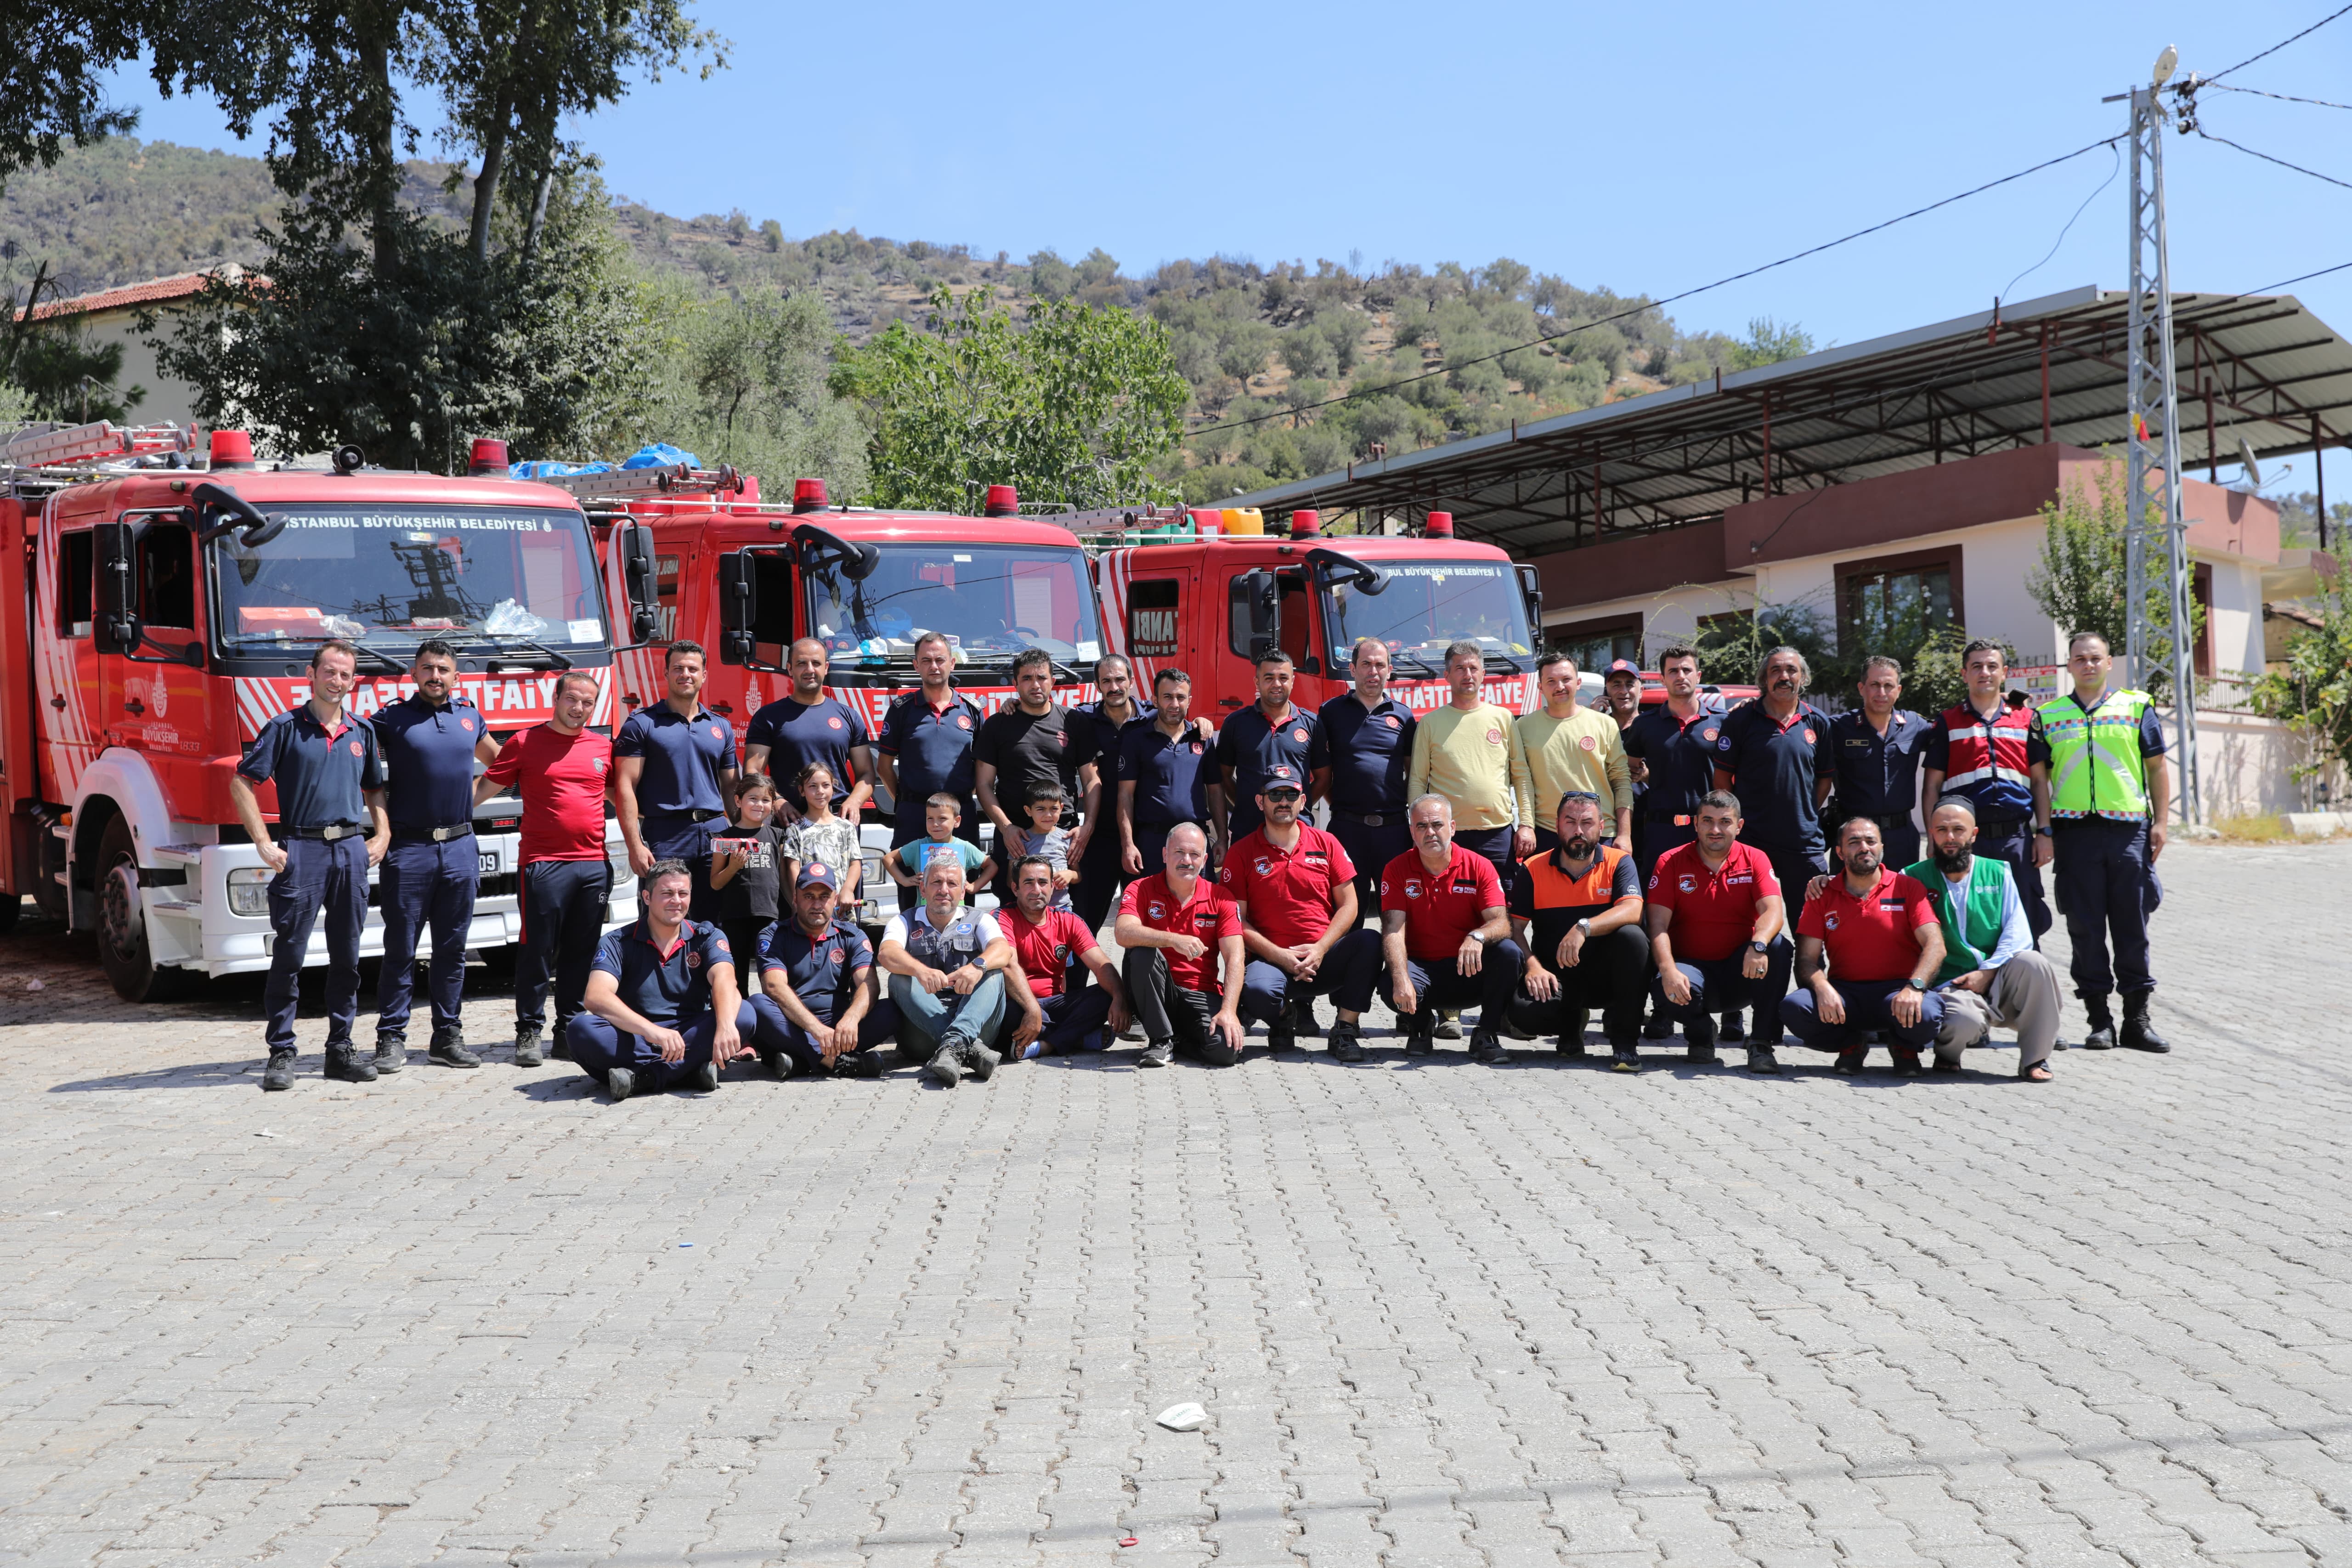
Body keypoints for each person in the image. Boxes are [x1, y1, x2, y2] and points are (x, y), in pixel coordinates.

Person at [229, 640, 390, 1090]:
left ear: (352, 680)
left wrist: (383, 833)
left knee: (348, 957)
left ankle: (340, 1049)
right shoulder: (285, 727)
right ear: (311, 673)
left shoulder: (362, 731)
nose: (336, 681)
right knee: (291, 955)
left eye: (345, 674)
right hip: (302, 850)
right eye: (330, 672)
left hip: (350, 852)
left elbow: (375, 789)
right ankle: (282, 1052)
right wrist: (263, 842)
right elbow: (242, 782)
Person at [2029, 630, 2173, 1053]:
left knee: (2133, 926)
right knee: (2085, 929)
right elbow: (2039, 780)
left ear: (2110, 663)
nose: (2088, 664)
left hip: (2129, 832)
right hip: (2075, 836)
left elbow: (2157, 768)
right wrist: (2045, 829)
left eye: (2096, 658)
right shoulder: (2047, 716)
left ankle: (2137, 1021)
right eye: (2079, 658)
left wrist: (2161, 822)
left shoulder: (2137, 706)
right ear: (2069, 665)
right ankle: (2099, 1021)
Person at [370, 639, 501, 1072]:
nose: (435, 676)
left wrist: (471, 803)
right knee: (400, 947)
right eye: (427, 668)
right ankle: (391, 1037)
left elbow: (500, 765)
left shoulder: (469, 717)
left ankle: (447, 1036)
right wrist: (382, 827)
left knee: (453, 948)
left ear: (456, 675)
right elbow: (362, 768)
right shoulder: (392, 719)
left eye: (443, 669)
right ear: (414, 674)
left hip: (461, 848)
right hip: (410, 849)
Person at [476, 670, 613, 1067]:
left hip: (592, 864)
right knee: (536, 949)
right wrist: (437, 818)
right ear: (556, 697)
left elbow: (622, 797)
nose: (579, 708)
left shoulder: (603, 747)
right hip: (542, 863)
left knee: (580, 951)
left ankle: (568, 1031)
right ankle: (528, 1031)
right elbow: (485, 788)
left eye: (588, 702)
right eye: (572, 699)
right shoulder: (524, 741)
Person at [1710, 645, 1832, 1044]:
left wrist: (1802, 813)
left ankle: (1817, 1016)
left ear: (1803, 677)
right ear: (1764, 677)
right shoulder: (1742, 720)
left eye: (1792, 670)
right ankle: (1741, 1016)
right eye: (1777, 670)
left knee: (1811, 933)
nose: (1785, 676)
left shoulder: (1819, 722)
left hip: (1805, 846)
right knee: (1750, 931)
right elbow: (1723, 782)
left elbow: (1824, 780)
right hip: (1753, 846)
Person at [1220, 777, 1380, 1060]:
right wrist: (1280, 956)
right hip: (1272, 961)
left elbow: (1351, 906)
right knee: (1256, 990)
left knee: (1370, 941)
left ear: (1304, 802)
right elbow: (1237, 921)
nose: (1284, 801)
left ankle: (1345, 1028)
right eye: (1275, 795)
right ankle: (1283, 1017)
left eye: (1292, 795)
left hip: (1324, 958)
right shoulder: (1241, 852)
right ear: (1260, 802)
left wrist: (1320, 949)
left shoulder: (1327, 843)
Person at [566, 859, 752, 1101]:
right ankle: (688, 1072)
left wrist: (726, 1025)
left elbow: (726, 980)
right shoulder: (617, 942)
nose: (677, 901)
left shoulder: (706, 936)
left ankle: (645, 1078)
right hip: (635, 1036)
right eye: (667, 893)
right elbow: (596, 997)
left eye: (683, 893)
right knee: (580, 1031)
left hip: (690, 1032)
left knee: (745, 1014)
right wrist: (653, 1032)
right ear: (646, 897)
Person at [1909, 797, 2062, 1082]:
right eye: (1941, 830)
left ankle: (2035, 1059)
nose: (1950, 838)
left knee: (2035, 963)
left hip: (1998, 978)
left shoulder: (1999, 872)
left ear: (1974, 834)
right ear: (1931, 833)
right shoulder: (1913, 878)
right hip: (1949, 985)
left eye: (1958, 829)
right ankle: (1948, 1054)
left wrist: (1988, 972)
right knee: (1963, 1022)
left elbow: (2018, 933)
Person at [1643, 790, 1792, 1074]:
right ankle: (1701, 1033)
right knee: (1663, 984)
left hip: (1742, 972)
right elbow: (1658, 925)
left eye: (1725, 822)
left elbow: (1773, 911)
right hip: (1691, 974)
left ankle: (1761, 1043)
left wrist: (1758, 945)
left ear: (1739, 826)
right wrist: (1669, 969)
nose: (1715, 830)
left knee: (1779, 947)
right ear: (1696, 823)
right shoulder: (1670, 861)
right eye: (1708, 821)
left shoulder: (1755, 858)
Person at [1782, 816, 1946, 1075]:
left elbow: (1936, 945)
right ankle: (1851, 1045)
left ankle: (1903, 1047)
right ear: (1839, 852)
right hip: (1846, 996)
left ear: (1882, 847)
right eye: (1854, 842)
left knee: (1927, 1013)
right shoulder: (1822, 893)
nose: (1864, 848)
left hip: (1898, 993)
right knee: (1795, 1008)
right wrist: (1823, 987)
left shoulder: (1909, 887)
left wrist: (1915, 987)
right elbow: (1806, 959)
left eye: (1871, 841)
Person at [1921, 639, 2053, 941]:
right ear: (1964, 674)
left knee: (2024, 920)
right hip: (1967, 842)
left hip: (2017, 840)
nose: (1985, 672)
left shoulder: (2027, 719)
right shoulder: (1948, 722)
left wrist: (2044, 832)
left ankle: (2024, 984)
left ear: (2004, 673)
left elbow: (2038, 782)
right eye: (1977, 666)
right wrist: (1933, 838)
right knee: (1971, 920)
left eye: (1992, 666)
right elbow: (1932, 787)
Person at [1378, 794, 1526, 1063]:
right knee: (1390, 979)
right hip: (1422, 969)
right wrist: (1400, 980)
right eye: (1421, 826)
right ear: (1412, 831)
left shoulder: (1479, 865)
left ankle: (1486, 1033)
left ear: (1453, 828)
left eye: (1437, 825)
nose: (1430, 832)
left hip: (1469, 969)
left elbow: (1503, 923)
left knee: (1509, 953)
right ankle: (1421, 1027)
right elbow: (1393, 930)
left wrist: (1477, 936)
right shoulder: (1396, 869)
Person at [1505, 792, 1649, 1065]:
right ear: (1557, 825)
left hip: (1607, 979)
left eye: (1587, 822)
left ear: (1602, 827)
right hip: (1556, 976)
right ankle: (1570, 1028)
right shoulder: (1533, 868)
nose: (1579, 831)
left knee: (1634, 937)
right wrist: (1533, 966)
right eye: (1570, 822)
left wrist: (1583, 928)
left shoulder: (1619, 862)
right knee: (1523, 1013)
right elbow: (1515, 929)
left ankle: (1625, 1043)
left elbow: (1634, 910)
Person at [616, 640, 736, 917]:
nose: (686, 674)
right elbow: (625, 787)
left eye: (693, 669)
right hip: (666, 836)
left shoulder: (721, 726)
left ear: (704, 675)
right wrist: (635, 846)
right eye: (678, 668)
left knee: (715, 920)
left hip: (716, 833)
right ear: (666, 673)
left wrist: (741, 834)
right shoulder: (641, 724)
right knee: (662, 917)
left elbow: (731, 787)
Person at [1117, 823, 1248, 1068]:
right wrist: (1173, 939)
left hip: (1201, 992)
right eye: (1179, 852)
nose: (1186, 861)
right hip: (1157, 991)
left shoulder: (1222, 898)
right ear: (1165, 854)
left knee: (1226, 1052)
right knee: (1143, 951)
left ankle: (1177, 1040)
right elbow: (1123, 932)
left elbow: (1235, 959)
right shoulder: (1140, 888)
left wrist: (1229, 1010)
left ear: (1205, 860)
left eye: (1194, 854)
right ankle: (1160, 1041)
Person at [748, 862, 893, 1079]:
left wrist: (851, 1019)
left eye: (824, 896)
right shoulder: (774, 935)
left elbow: (869, 983)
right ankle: (837, 1063)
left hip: (840, 1027)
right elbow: (773, 986)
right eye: (809, 896)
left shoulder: (852, 936)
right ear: (796, 899)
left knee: (891, 1010)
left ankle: (799, 1061)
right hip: (792, 1024)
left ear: (835, 899)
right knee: (757, 1006)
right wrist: (815, 1029)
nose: (817, 904)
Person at [876, 854, 1012, 1086]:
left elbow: (1003, 950)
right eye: (936, 883)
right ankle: (968, 1050)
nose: (944, 890)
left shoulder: (980, 920)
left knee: (993, 971)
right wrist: (920, 971)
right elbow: (886, 953)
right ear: (923, 889)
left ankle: (955, 1046)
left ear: (962, 892)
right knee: (899, 977)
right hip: (920, 1035)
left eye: (952, 884)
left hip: (978, 1026)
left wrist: (977, 967)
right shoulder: (904, 922)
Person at [876, 631, 986, 911]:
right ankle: (914, 948)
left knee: (959, 885)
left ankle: (961, 948)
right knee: (914, 888)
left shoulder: (972, 710)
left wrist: (959, 799)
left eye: (940, 660)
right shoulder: (901, 710)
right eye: (926, 661)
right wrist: (904, 799)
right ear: (916, 665)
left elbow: (983, 768)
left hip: (960, 815)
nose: (934, 666)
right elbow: (884, 765)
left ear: (953, 663)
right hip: (914, 815)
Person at [1407, 640, 1528, 890]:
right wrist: (1417, 828)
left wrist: (1526, 824)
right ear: (1447, 676)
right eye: (1460, 668)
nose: (1468, 675)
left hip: (1497, 833)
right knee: (1452, 907)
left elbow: (1521, 775)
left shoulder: (1503, 718)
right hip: (1449, 834)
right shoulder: (1429, 724)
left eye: (1473, 668)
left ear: (1483, 675)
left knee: (1502, 908)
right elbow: (1418, 779)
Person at [1312, 636, 1416, 922]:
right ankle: (1348, 967)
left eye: (1380, 665)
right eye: (1366, 664)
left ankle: (1396, 968)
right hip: (1347, 831)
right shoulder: (1330, 712)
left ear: (1389, 670)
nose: (1373, 672)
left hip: (1394, 832)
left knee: (1397, 916)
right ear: (1352, 669)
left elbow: (1414, 775)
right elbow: (1323, 771)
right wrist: (1345, 808)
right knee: (1346, 916)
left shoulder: (1404, 717)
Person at [976, 647, 1083, 901]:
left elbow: (1092, 781)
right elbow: (983, 785)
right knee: (1013, 908)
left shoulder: (1074, 722)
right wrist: (1006, 828)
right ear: (1015, 683)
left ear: (1053, 682)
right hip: (1014, 835)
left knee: (1063, 911)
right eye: (1027, 678)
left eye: (1042, 678)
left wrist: (1086, 827)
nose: (1035, 685)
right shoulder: (997, 725)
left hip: (1063, 834)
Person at [998, 856, 1131, 1059]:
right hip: (1020, 1003)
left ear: (1053, 886)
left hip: (1056, 1004)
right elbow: (1009, 967)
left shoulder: (1069, 921)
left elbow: (1101, 964)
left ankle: (1047, 1045)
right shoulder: (1003, 918)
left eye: (1043, 882)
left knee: (1106, 995)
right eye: (1028, 883)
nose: (1037, 890)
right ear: (1015, 889)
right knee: (1009, 1012)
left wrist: (1120, 998)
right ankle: (1076, 1038)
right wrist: (1032, 1009)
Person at [1513, 650, 1635, 857]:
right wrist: (1527, 825)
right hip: (1547, 833)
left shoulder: (1604, 724)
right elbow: (1521, 780)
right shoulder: (1523, 727)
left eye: (1566, 679)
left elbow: (1621, 781)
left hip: (1600, 832)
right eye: (1551, 681)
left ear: (1578, 682)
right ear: (1540, 687)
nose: (1560, 687)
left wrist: (1625, 835)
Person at [742, 638, 875, 823]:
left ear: (826, 668)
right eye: (802, 663)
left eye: (816, 663)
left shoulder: (849, 717)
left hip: (838, 821)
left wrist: (854, 801)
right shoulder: (768, 717)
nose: (810, 670)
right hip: (789, 822)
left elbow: (867, 774)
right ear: (790, 668)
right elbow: (753, 771)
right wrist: (778, 801)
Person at [1821, 655, 1930, 870]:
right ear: (1862, 688)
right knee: (1851, 901)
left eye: (1888, 686)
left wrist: (1996, 702)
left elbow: (1953, 731)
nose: (1882, 693)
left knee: (1901, 901)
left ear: (1898, 690)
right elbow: (1797, 724)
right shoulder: (1838, 728)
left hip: (1901, 838)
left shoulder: (1915, 725)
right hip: (1854, 838)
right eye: (1875, 685)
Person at [1068, 654, 1152, 934]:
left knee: (1145, 920)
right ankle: (1077, 979)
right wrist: (1013, 703)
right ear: (1097, 685)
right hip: (1100, 835)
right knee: (1085, 918)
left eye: (1119, 680)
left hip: (1144, 835)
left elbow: (1182, 721)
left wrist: (1201, 721)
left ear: (1131, 680)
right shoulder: (1082, 719)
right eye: (1107, 681)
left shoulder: (1153, 717)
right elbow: (1044, 714)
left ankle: (1137, 979)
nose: (1114, 687)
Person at [1119, 667, 1221, 890]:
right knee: (1149, 909)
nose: (1175, 704)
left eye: (1181, 697)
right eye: (1167, 697)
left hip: (1195, 839)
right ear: (1155, 700)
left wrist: (1222, 837)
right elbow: (1125, 795)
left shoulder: (1203, 738)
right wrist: (1128, 844)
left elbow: (1215, 791)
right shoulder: (1136, 739)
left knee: (1200, 909)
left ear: (1189, 700)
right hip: (1151, 841)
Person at [1217, 650, 1318, 846]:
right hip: (1247, 830)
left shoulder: (1311, 724)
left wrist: (1295, 803)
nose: (1277, 684)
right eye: (1269, 678)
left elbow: (1324, 777)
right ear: (1257, 682)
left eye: (1283, 678)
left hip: (1297, 830)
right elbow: (1224, 776)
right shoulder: (1236, 724)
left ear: (1293, 681)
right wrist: (1250, 802)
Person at [707, 771, 786, 974]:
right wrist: (733, 867)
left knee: (770, 971)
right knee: (738, 973)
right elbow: (715, 883)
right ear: (738, 800)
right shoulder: (724, 838)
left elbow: (783, 878)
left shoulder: (777, 836)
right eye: (753, 798)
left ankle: (769, 1006)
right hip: (735, 916)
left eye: (766, 800)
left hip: (769, 914)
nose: (759, 804)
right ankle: (740, 1006)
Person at [886, 793, 994, 898]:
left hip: (956, 911)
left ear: (957, 821)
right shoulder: (918, 846)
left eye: (942, 819)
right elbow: (888, 859)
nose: (935, 824)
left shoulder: (964, 847)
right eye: (930, 818)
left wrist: (974, 887)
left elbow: (992, 866)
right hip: (925, 912)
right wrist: (904, 881)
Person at [1013, 783, 1078, 910]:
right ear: (1028, 811)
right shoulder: (1022, 841)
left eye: (1054, 809)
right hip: (1030, 910)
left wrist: (1070, 875)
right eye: (1041, 809)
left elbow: (1078, 875)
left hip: (1062, 908)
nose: (1048, 815)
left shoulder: (1067, 839)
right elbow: (1012, 879)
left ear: (1061, 808)